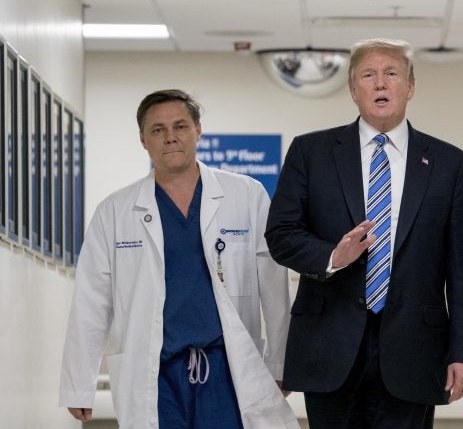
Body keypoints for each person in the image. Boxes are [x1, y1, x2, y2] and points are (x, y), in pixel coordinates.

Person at [265, 38, 463, 428]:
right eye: (368, 75)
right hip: (329, 347)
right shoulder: (310, 153)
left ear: (410, 87)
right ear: (353, 89)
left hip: (415, 349)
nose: (380, 84)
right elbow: (280, 233)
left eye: (391, 74)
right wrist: (332, 256)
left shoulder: (450, 163)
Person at [59, 89, 299, 428]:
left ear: (198, 130)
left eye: (180, 126)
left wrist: (280, 365)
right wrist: (78, 383)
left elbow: (275, 290)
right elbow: (91, 300)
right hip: (156, 372)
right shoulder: (115, 211)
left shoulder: (246, 195)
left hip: (228, 370)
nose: (170, 137)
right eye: (157, 130)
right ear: (143, 139)